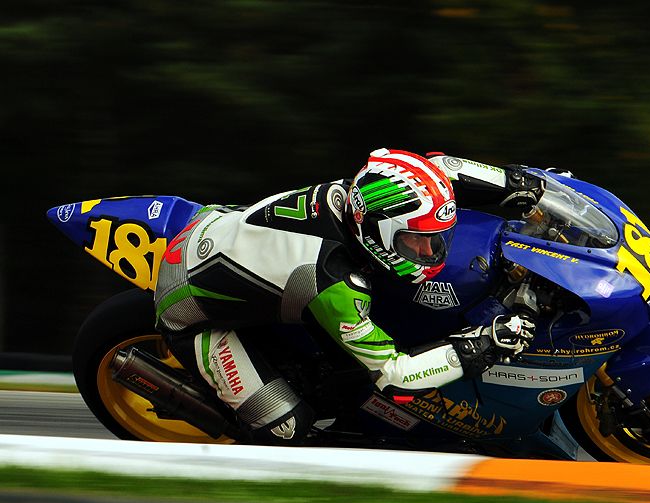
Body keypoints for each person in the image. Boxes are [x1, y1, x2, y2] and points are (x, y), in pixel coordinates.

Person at [153, 148, 542, 444]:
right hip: (190, 308)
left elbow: (440, 167)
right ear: (377, 231)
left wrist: (517, 183)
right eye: (415, 241)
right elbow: (394, 377)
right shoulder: (334, 283)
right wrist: (480, 346)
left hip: (222, 227)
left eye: (435, 238)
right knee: (286, 428)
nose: (430, 251)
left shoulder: (367, 191)